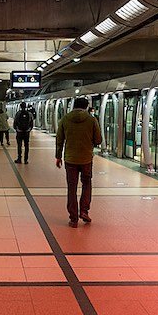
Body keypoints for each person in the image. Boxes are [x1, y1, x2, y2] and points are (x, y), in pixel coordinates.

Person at [56, 97, 103, 227]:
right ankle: (84, 211)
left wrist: (58, 156)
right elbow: (98, 140)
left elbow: (59, 140)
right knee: (86, 184)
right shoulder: (92, 120)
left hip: (70, 159)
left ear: (73, 106)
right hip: (86, 159)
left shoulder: (65, 119)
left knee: (71, 187)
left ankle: (73, 218)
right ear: (86, 106)